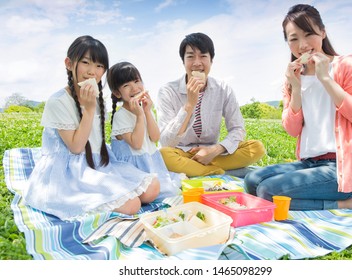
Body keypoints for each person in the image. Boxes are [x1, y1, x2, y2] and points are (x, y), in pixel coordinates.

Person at [244, 4, 352, 212]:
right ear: (287, 42)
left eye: (309, 34)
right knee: (252, 180)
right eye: (294, 38)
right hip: (310, 164)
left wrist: (325, 78)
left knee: (268, 191)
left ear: (323, 32)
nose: (303, 44)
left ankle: (346, 202)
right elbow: (292, 130)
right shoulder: (292, 78)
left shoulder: (349, 64)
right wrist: (296, 88)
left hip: (342, 167)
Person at [24, 35, 160, 221]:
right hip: (70, 171)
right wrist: (88, 110)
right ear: (69, 64)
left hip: (98, 163)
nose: (92, 72)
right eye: (86, 63)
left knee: (152, 188)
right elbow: (76, 147)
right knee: (132, 204)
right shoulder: (58, 101)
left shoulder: (96, 98)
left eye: (99, 66)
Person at [157, 32, 265, 178]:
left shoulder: (223, 89)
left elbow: (237, 128)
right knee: (163, 155)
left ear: (211, 60)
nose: (197, 62)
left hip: (213, 153)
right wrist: (189, 104)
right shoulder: (167, 91)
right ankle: (215, 172)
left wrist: (215, 149)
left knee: (256, 148)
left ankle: (196, 170)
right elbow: (166, 142)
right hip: (181, 153)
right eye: (190, 56)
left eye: (203, 56)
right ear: (183, 62)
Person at [107, 61, 182, 201]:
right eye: (126, 85)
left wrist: (147, 111)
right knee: (154, 192)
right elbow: (137, 144)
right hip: (134, 168)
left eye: (136, 81)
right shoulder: (120, 116)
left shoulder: (145, 109)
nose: (134, 88)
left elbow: (155, 137)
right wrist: (140, 116)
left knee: (170, 190)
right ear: (117, 93)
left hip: (151, 163)